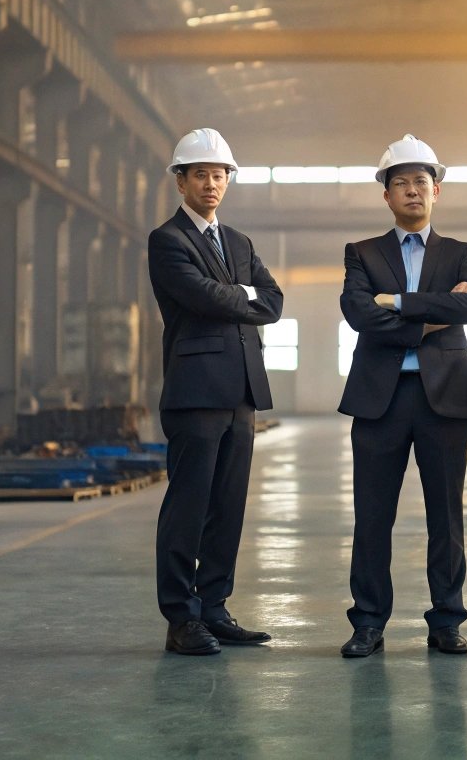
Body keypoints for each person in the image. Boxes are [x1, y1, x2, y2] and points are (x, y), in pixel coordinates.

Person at [338, 135, 467, 658]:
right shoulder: (361, 253)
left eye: (420, 182)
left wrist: (398, 303)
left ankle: (447, 620)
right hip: (380, 398)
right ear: (386, 195)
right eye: (400, 183)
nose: (411, 191)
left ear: (436, 191)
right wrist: (428, 320)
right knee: (372, 514)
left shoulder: (461, 253)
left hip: (443, 398)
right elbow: (358, 313)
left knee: (446, 516)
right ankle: (368, 622)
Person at [147, 127, 283, 656]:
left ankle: (215, 607)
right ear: (180, 182)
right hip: (195, 391)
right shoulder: (168, 241)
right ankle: (181, 618)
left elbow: (271, 300)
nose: (211, 183)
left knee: (227, 506)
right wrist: (240, 294)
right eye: (200, 173)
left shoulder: (241, 243)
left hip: (242, 392)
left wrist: (238, 295)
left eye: (219, 174)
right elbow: (202, 297)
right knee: (188, 505)